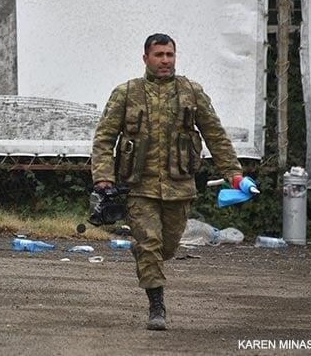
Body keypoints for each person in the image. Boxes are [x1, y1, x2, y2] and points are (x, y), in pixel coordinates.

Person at [91, 33, 243, 331]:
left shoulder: (191, 92)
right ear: (145, 58)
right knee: (149, 243)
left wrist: (233, 173)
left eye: (169, 55)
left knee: (168, 248)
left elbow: (215, 134)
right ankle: (156, 305)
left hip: (179, 186)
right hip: (138, 187)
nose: (164, 60)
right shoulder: (126, 93)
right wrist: (104, 178)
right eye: (158, 55)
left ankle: (148, 259)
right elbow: (104, 138)